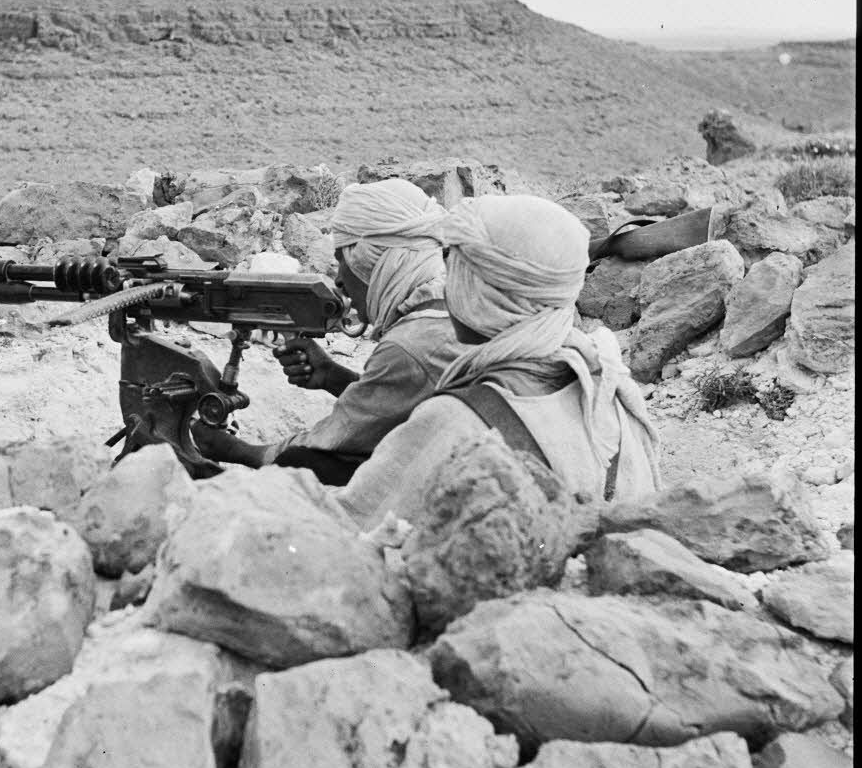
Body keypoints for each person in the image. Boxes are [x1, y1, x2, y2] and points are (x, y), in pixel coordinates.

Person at [336, 192, 663, 529]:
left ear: (479, 291)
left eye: (456, 273)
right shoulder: (603, 380)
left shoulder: (456, 419)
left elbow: (358, 524)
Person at [189, 177, 468, 483]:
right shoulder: (452, 307)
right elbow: (399, 401)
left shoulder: (410, 344)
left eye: (342, 261)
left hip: (445, 481)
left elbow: (336, 435)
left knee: (300, 461)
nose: (338, 280)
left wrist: (235, 450)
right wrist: (331, 375)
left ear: (372, 261)